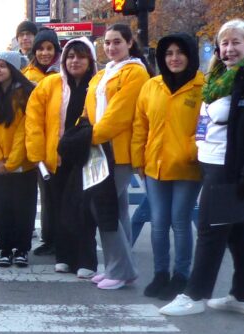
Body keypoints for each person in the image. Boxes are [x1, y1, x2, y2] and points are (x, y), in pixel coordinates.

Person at [160, 19, 244, 317]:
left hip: (231, 168)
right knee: (239, 230)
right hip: (212, 163)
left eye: (236, 42)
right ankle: (242, 297)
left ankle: (194, 295)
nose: (229, 49)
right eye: (224, 43)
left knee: (210, 230)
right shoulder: (220, 77)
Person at [131, 33, 204, 300]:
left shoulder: (202, 87)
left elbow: (208, 128)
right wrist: (138, 158)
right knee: (159, 223)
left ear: (190, 55)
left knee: (180, 222)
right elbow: (140, 126)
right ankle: (160, 273)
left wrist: (191, 151)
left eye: (180, 52)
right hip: (154, 167)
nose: (174, 58)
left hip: (187, 166)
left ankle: (181, 275)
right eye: (168, 53)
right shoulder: (152, 86)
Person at [82, 24, 149, 289]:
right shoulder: (103, 73)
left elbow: (119, 115)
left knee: (102, 207)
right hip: (101, 148)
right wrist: (82, 130)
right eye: (107, 42)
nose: (111, 47)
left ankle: (121, 269)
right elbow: (89, 110)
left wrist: (89, 137)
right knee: (118, 210)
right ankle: (117, 267)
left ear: (130, 43)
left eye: (117, 42)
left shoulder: (135, 73)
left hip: (117, 150)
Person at [25, 37, 98, 278]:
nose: (75, 61)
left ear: (90, 60)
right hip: (56, 156)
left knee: (83, 209)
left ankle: (85, 259)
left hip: (88, 156)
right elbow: (33, 119)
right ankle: (64, 256)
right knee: (59, 208)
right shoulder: (50, 84)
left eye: (81, 56)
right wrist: (37, 154)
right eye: (70, 56)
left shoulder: (98, 85)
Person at [0, 52, 38, 268]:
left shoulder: (26, 92)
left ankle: (21, 249)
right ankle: (4, 249)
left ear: (13, 69)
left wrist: (12, 161)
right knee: (1, 207)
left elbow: (26, 128)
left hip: (23, 164)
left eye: (3, 66)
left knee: (24, 207)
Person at [22, 28, 63, 257]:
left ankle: (64, 237)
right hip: (37, 142)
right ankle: (49, 238)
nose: (45, 53)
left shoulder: (66, 71)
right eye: (40, 48)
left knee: (64, 194)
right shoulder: (26, 75)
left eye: (49, 48)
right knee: (45, 195)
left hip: (61, 142)